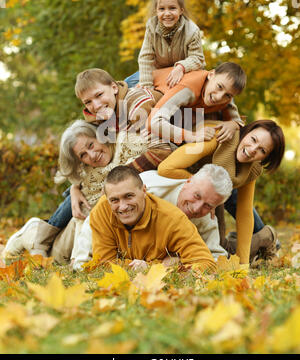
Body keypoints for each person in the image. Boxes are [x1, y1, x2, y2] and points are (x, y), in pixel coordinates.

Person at [2, 120, 172, 263]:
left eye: (91, 145)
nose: (92, 155)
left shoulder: (130, 144)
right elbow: (85, 214)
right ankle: (33, 233)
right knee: (58, 257)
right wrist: (78, 261)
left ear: (100, 136)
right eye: (83, 155)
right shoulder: (89, 176)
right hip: (79, 227)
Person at [47, 67, 172, 228]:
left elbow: (161, 151)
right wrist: (74, 188)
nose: (96, 105)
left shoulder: (136, 106)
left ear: (114, 88)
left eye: (98, 95)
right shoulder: (100, 116)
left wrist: (119, 176)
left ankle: (48, 229)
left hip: (171, 143)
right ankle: (49, 228)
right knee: (85, 188)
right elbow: (81, 143)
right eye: (88, 102)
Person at [157, 119, 285, 265]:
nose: (252, 149)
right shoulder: (217, 137)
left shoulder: (251, 169)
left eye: (262, 150)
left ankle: (264, 237)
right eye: (253, 139)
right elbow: (166, 168)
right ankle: (263, 237)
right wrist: (204, 191)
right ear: (246, 132)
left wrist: (242, 265)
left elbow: (244, 213)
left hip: (214, 196)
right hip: (188, 186)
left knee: (217, 249)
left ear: (266, 158)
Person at [89, 165, 216, 272]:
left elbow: (206, 264)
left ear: (144, 191)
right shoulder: (102, 211)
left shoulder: (172, 219)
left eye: (129, 196)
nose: (122, 207)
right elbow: (104, 265)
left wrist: (157, 269)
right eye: (114, 200)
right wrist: (160, 265)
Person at [139, 165, 233, 261]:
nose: (196, 209)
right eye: (197, 196)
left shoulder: (206, 220)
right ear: (188, 181)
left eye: (208, 205)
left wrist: (180, 260)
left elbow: (216, 257)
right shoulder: (149, 190)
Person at [124, 0, 205, 89]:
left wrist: (181, 67)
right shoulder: (151, 27)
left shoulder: (192, 30)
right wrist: (147, 86)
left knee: (192, 86)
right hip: (159, 71)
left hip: (184, 71)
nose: (167, 13)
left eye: (172, 8)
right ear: (156, 11)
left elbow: (197, 58)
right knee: (128, 83)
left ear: (181, 10)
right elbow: (145, 57)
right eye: (162, 9)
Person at [146, 61, 246, 145]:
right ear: (211, 75)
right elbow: (153, 123)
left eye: (228, 95)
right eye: (219, 86)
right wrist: (192, 136)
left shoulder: (226, 99)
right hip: (149, 78)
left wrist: (233, 125)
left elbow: (238, 122)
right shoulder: (188, 88)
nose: (219, 97)